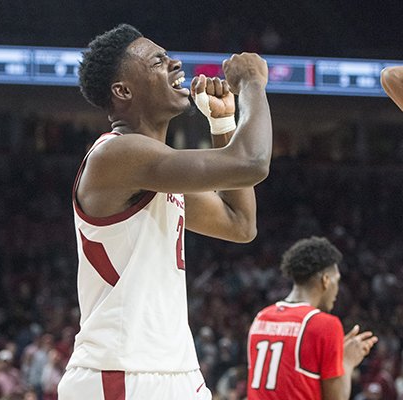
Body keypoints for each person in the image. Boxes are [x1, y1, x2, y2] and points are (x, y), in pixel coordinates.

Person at [57, 24, 273, 400]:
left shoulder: (158, 172)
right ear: (123, 90)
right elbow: (252, 161)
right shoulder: (117, 154)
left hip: (177, 371)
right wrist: (252, 83)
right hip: (121, 372)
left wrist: (223, 123)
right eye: (158, 61)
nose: (174, 62)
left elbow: (241, 225)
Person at [247, 236, 378, 399]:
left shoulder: (262, 317)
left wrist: (335, 357)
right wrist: (347, 362)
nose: (338, 290)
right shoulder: (325, 325)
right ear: (326, 281)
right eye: (337, 281)